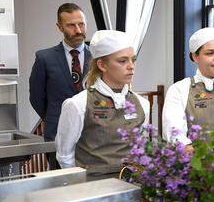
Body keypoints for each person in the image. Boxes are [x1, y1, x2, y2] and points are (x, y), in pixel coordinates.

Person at [55, 30, 150, 179]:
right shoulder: (78, 104)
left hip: (133, 186)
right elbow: (65, 156)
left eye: (133, 60)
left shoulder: (142, 104)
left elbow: (142, 148)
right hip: (93, 189)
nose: (131, 66)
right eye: (122, 61)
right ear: (102, 65)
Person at [29, 3, 91, 169]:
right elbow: (36, 97)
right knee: (61, 187)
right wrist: (54, 116)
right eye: (71, 25)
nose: (78, 30)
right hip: (56, 134)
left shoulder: (99, 57)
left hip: (92, 133)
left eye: (82, 24)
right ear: (59, 27)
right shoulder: (44, 58)